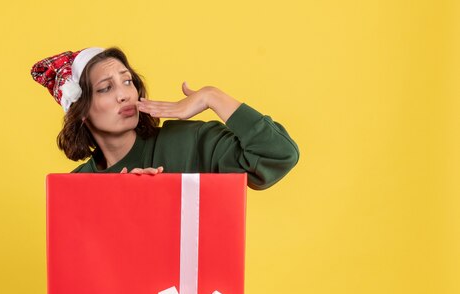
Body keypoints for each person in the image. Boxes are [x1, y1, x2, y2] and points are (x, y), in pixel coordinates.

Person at [31, 47, 299, 190]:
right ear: (80, 113)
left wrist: (212, 96)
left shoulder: (189, 140)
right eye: (106, 88)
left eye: (127, 81)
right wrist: (118, 200)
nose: (124, 94)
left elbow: (278, 155)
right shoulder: (75, 187)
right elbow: (83, 269)